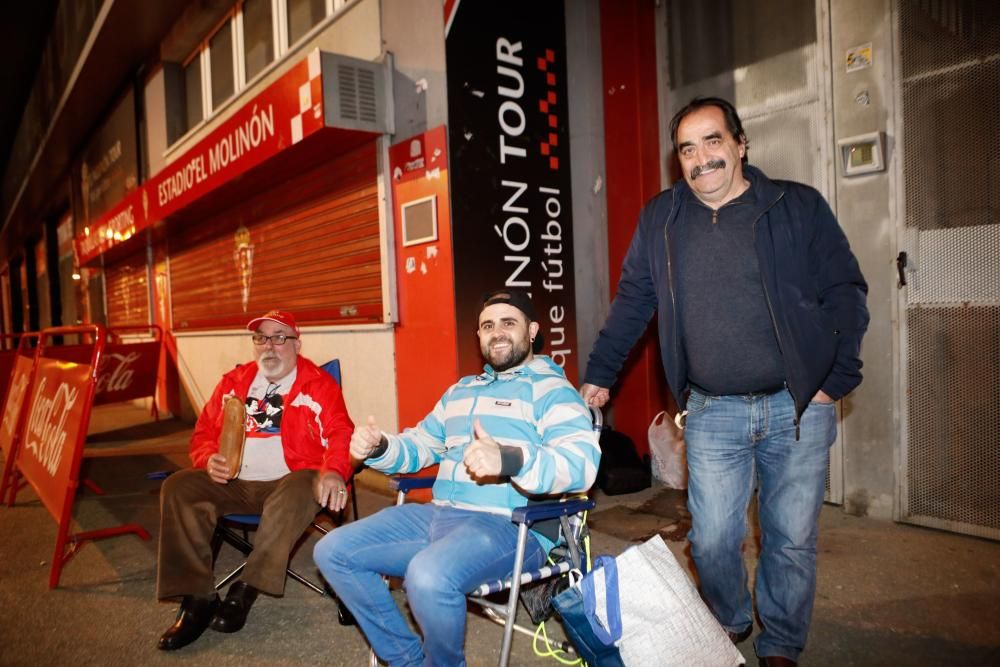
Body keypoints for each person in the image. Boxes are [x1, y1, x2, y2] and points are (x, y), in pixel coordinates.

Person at [581, 97, 869, 667]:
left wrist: (837, 378)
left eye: (713, 141)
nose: (701, 158)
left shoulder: (796, 207)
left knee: (789, 538)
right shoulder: (661, 218)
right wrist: (600, 373)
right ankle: (729, 620)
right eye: (688, 148)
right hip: (713, 411)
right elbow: (635, 301)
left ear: (741, 145)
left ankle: (781, 645)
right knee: (712, 537)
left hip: (798, 406)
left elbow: (846, 291)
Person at [314, 289, 601, 667]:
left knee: (428, 576)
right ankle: (408, 660)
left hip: (511, 527)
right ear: (479, 337)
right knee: (333, 550)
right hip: (437, 516)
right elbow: (419, 446)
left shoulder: (552, 391)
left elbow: (580, 463)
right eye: (487, 325)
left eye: (508, 322)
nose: (496, 332)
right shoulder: (460, 392)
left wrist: (510, 459)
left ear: (532, 331)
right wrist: (379, 446)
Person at [156, 310, 354, 651]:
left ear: (296, 343)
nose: (269, 346)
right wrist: (208, 459)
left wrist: (334, 469)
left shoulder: (317, 384)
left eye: (279, 338)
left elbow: (340, 432)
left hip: (290, 481)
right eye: (261, 338)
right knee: (179, 486)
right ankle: (198, 598)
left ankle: (246, 587)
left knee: (302, 484)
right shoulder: (234, 383)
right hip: (234, 483)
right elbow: (203, 434)